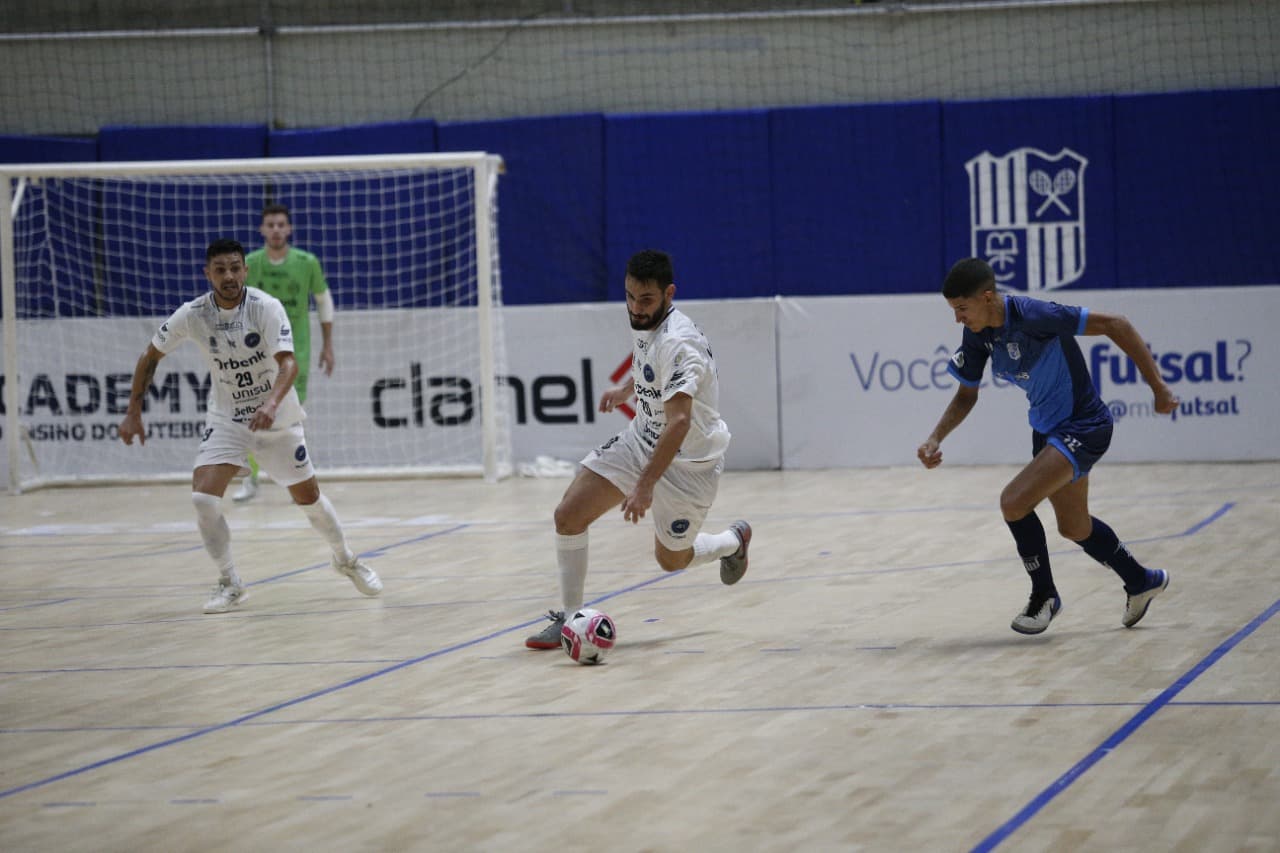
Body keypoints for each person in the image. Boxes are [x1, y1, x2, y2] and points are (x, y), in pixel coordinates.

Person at [119, 238, 382, 614]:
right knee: (203, 499)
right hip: (228, 418)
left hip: (277, 419)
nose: (228, 275)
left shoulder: (265, 307)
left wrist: (272, 403)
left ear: (246, 269)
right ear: (207, 273)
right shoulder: (193, 314)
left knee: (309, 501)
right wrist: (133, 411)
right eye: (220, 269)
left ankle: (346, 559)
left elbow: (288, 363)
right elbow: (150, 355)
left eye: (234, 268)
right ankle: (230, 582)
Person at [917, 257, 1177, 635]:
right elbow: (965, 396)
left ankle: (1045, 596)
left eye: (962, 308)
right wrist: (935, 437)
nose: (957, 318)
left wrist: (1158, 386)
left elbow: (1116, 324)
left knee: (1013, 501)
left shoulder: (1034, 315)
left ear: (987, 297)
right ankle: (1141, 581)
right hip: (1047, 431)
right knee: (1075, 527)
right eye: (953, 310)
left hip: (1084, 425)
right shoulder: (977, 334)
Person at [525, 249, 752, 650]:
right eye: (629, 296)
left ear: (669, 294)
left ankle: (732, 542)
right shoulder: (647, 321)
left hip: (688, 466)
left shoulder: (681, 345)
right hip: (641, 438)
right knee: (568, 515)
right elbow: (650, 364)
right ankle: (571, 620)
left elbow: (680, 422)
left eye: (645, 300)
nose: (635, 307)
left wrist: (646, 486)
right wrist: (627, 389)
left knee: (671, 561)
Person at [232, 203, 335, 502]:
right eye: (270, 224)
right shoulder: (249, 263)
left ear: (289, 229)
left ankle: (297, 481)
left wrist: (328, 345)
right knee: (250, 416)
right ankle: (250, 480)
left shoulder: (307, 262)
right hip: (255, 356)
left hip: (294, 354)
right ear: (262, 230)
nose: (276, 229)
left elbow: (324, 302)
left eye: (281, 224)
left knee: (287, 419)